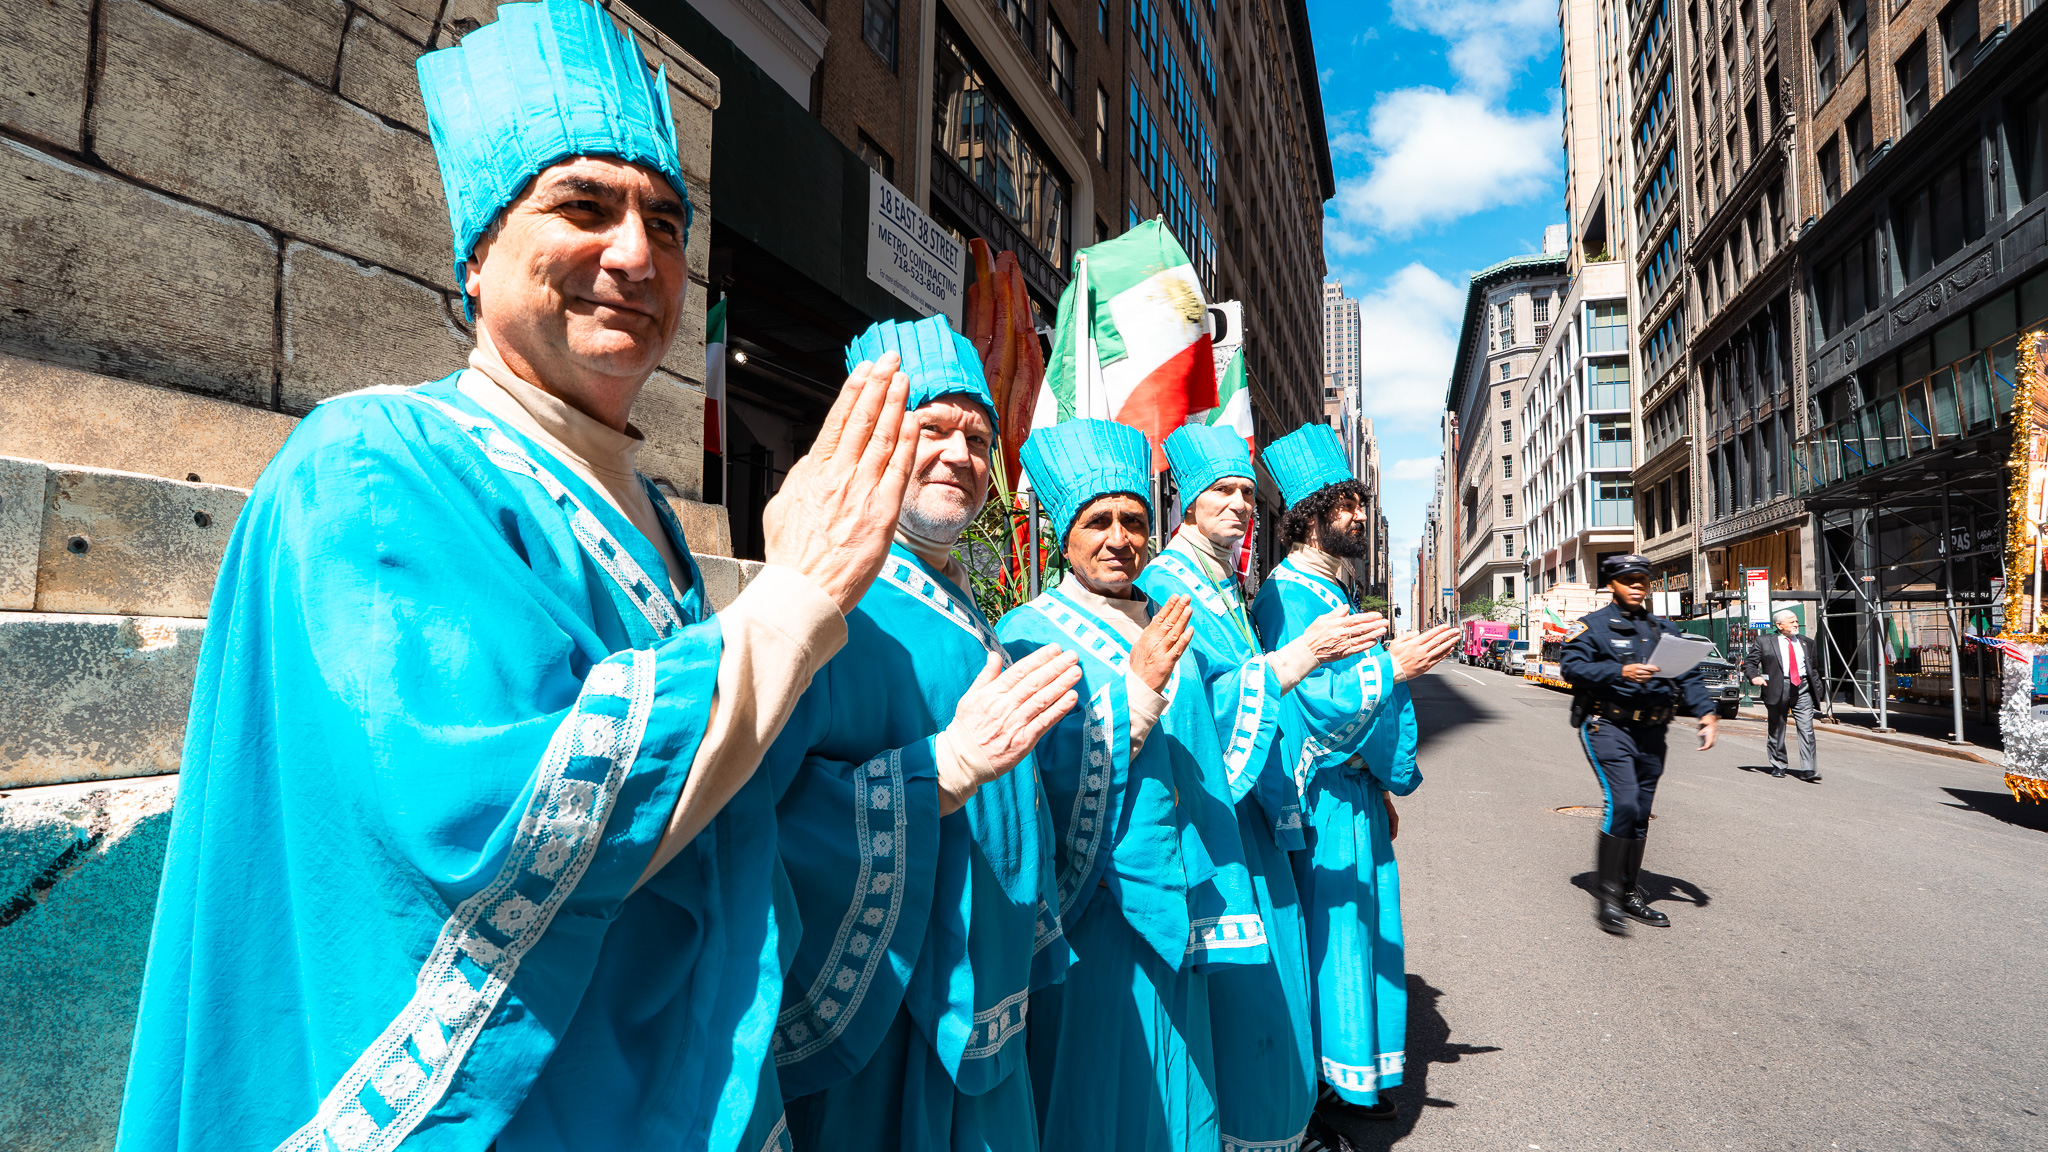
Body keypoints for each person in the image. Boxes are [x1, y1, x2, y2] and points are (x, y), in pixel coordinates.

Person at [117, 5, 918, 1149]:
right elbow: (487, 820)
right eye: (582, 208)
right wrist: (790, 606)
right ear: (478, 256)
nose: (636, 257)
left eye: (666, 221)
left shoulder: (641, 509)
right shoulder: (372, 465)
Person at [754, 316, 1081, 1152]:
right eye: (929, 428)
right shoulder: (828, 600)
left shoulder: (973, 611)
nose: (960, 455)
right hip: (888, 1007)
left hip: (986, 981)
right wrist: (934, 774)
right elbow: (762, 812)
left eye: (977, 437)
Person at [999, 419, 1283, 1151]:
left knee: (1181, 1089)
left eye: (1132, 519)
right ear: (1064, 536)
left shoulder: (1167, 616)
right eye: (1098, 521)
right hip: (1096, 909)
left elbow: (1206, 745)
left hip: (1183, 897)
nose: (1119, 537)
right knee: (1102, 1090)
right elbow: (1031, 781)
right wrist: (1137, 692)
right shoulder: (1027, 631)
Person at [1136, 424, 1388, 1152]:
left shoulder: (1222, 583)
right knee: (1248, 1003)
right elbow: (1190, 711)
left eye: (1248, 492)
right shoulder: (1166, 584)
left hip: (1254, 815)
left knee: (1280, 992)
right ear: (1185, 501)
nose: (1241, 505)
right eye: (1224, 491)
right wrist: (1293, 662)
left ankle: (1285, 1130)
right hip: (1214, 825)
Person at [1248, 423, 1459, 1141]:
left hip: (1355, 794)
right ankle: (1324, 1088)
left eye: (1361, 503)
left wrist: (1386, 782)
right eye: (1344, 505)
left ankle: (1350, 1075)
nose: (1360, 517)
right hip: (1323, 798)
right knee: (1335, 935)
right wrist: (1393, 668)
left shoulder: (1329, 587)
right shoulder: (1286, 593)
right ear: (1307, 516)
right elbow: (1309, 699)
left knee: (1363, 929)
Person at [1563, 554, 1719, 936]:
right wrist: (1619, 670)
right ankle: (1608, 897)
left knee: (1641, 811)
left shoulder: (1664, 628)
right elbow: (1572, 667)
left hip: (1653, 731)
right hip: (1608, 726)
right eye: (1628, 579)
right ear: (1612, 584)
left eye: (1642, 580)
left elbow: (1689, 675)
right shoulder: (1592, 627)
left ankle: (1631, 892)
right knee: (1624, 802)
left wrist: (1706, 713)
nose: (1637, 585)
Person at [1740, 608, 1822, 783]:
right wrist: (1754, 677)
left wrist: (1818, 689)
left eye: (1796, 620)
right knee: (1777, 728)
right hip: (1777, 687)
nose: (1795, 623)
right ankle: (1779, 764)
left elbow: (1813, 668)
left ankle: (1808, 769)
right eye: (1791, 621)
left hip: (1803, 687)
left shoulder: (1807, 642)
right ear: (1779, 625)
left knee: (1807, 729)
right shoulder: (1765, 641)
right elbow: (1750, 663)